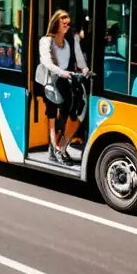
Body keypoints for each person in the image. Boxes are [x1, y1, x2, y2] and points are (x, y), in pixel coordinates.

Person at [35, 10, 90, 165]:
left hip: (65, 80)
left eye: (68, 22)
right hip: (50, 82)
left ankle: (60, 146)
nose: (66, 24)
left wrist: (85, 71)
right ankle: (56, 149)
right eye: (63, 21)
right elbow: (47, 62)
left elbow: (80, 60)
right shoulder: (46, 41)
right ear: (55, 23)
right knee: (55, 116)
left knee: (73, 112)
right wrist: (63, 72)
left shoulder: (72, 40)